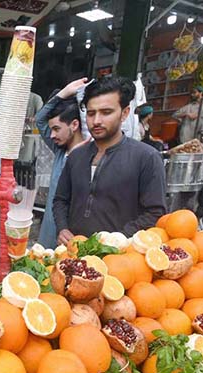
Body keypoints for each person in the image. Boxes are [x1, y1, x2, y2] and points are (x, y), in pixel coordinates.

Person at [53, 76, 167, 242]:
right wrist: (62, 227)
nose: (96, 121)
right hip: (74, 255)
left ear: (125, 113)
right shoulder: (76, 156)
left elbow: (155, 213)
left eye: (106, 112)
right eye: (91, 113)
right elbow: (60, 200)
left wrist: (114, 241)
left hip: (120, 260)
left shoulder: (146, 158)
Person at [36, 78, 90, 248]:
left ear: (74, 124)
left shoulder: (92, 152)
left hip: (71, 237)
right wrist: (63, 93)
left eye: (57, 129)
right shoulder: (60, 150)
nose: (51, 135)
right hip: (48, 231)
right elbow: (40, 119)